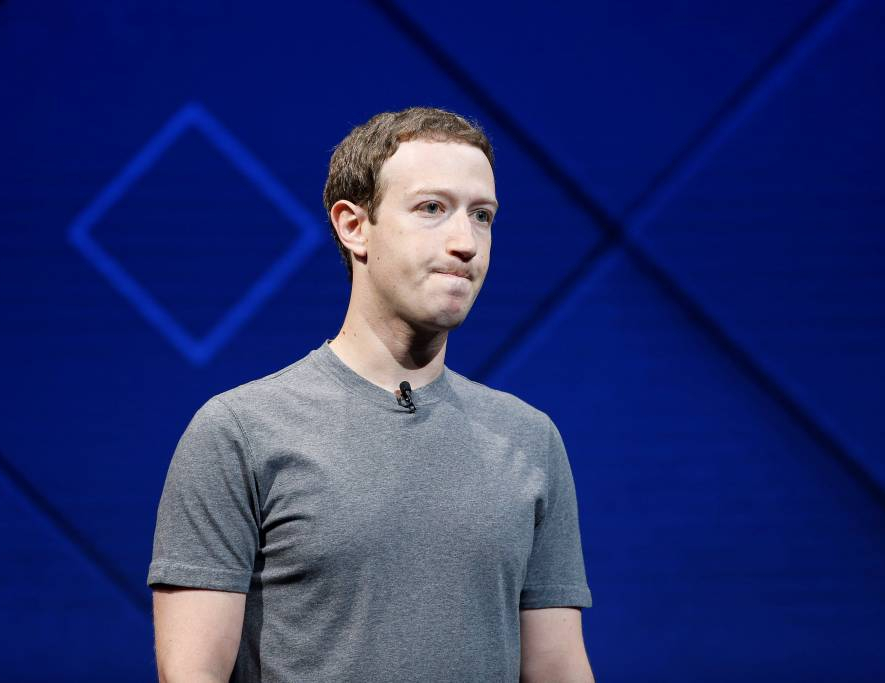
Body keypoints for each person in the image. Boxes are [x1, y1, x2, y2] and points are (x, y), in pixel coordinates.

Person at [147, 107, 595, 682]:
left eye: (481, 215)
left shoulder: (529, 438)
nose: (466, 242)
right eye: (432, 209)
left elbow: (557, 668)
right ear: (353, 225)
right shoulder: (240, 432)